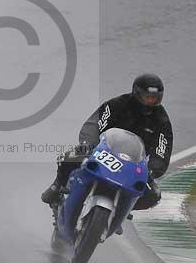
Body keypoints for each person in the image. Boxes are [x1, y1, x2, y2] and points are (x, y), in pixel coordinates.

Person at [41, 74, 173, 212]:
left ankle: (121, 211)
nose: (150, 101)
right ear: (137, 93)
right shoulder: (118, 104)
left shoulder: (161, 120)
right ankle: (57, 186)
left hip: (132, 164)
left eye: (154, 98)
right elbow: (94, 124)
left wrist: (152, 169)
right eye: (147, 97)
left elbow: (162, 149)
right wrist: (87, 144)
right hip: (103, 152)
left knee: (153, 195)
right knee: (69, 157)